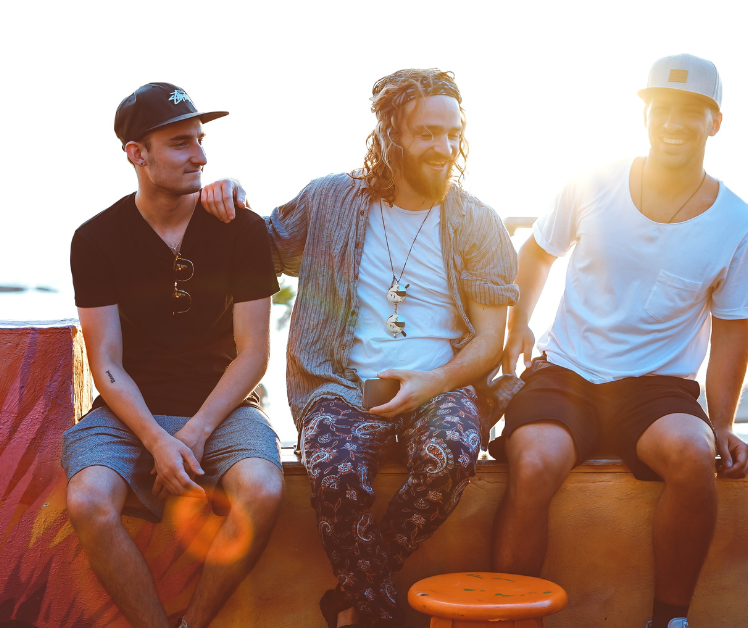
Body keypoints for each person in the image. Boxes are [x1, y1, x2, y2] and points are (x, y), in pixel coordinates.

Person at [202, 69, 519, 628]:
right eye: (426, 133)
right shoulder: (330, 200)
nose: (444, 148)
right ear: (389, 134)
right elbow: (258, 249)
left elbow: (492, 340)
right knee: (336, 479)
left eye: (453, 133)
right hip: (338, 386)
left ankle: (356, 600)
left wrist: (436, 382)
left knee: (450, 456)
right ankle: (375, 605)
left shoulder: (477, 222)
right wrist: (229, 193)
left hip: (438, 385)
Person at [488, 54, 748, 628]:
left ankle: (669, 621)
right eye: (662, 108)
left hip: (658, 388)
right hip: (567, 372)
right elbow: (537, 254)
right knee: (534, 463)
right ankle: (509, 618)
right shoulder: (592, 182)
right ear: (644, 114)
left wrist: (722, 421)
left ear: (715, 122)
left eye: (691, 111)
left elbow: (734, 330)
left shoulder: (738, 222)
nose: (673, 122)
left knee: (694, 458)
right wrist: (518, 328)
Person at [61, 82, 284, 628]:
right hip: (128, 409)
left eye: (201, 140)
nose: (201, 155)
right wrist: (157, 439)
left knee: (263, 488)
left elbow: (254, 352)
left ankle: (195, 624)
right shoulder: (96, 239)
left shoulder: (241, 229)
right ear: (137, 154)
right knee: (88, 500)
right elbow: (106, 362)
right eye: (181, 143)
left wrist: (195, 431)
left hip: (225, 406)